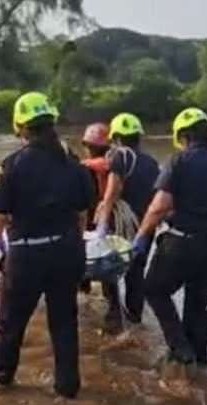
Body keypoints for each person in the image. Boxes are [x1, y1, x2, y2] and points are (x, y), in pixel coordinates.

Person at [0, 92, 95, 399]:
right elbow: (82, 215)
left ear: (20, 126)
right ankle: (68, 390)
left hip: (26, 256)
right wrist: (73, 248)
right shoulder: (74, 164)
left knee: (9, 327)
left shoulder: (12, 166)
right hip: (67, 252)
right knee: (64, 325)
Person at [132, 108, 207, 367]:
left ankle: (180, 347)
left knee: (154, 290)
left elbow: (158, 207)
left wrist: (142, 236)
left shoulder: (178, 162)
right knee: (197, 306)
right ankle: (199, 362)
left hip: (182, 244)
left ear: (183, 136)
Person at [93, 113, 159, 324]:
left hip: (121, 227)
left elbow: (111, 193)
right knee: (136, 274)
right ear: (139, 136)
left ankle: (114, 316)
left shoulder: (119, 156)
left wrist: (101, 224)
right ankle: (135, 318)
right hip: (144, 226)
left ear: (116, 138)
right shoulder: (151, 162)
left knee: (109, 270)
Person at [79, 122, 123, 333]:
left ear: (88, 146)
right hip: (109, 221)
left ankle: (85, 312)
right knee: (108, 272)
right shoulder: (116, 166)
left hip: (86, 223)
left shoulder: (84, 168)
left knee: (81, 271)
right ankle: (115, 315)